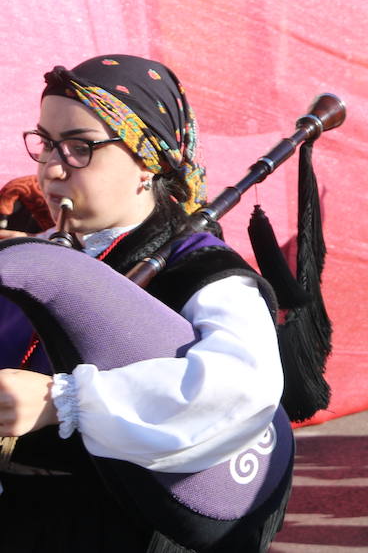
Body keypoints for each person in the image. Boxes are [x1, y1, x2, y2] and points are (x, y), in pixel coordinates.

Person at [0, 54, 286, 550]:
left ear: (146, 161)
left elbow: (240, 389)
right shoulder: (34, 250)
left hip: (115, 526)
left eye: (79, 148)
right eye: (45, 143)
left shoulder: (203, 271)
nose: (50, 168)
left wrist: (61, 402)